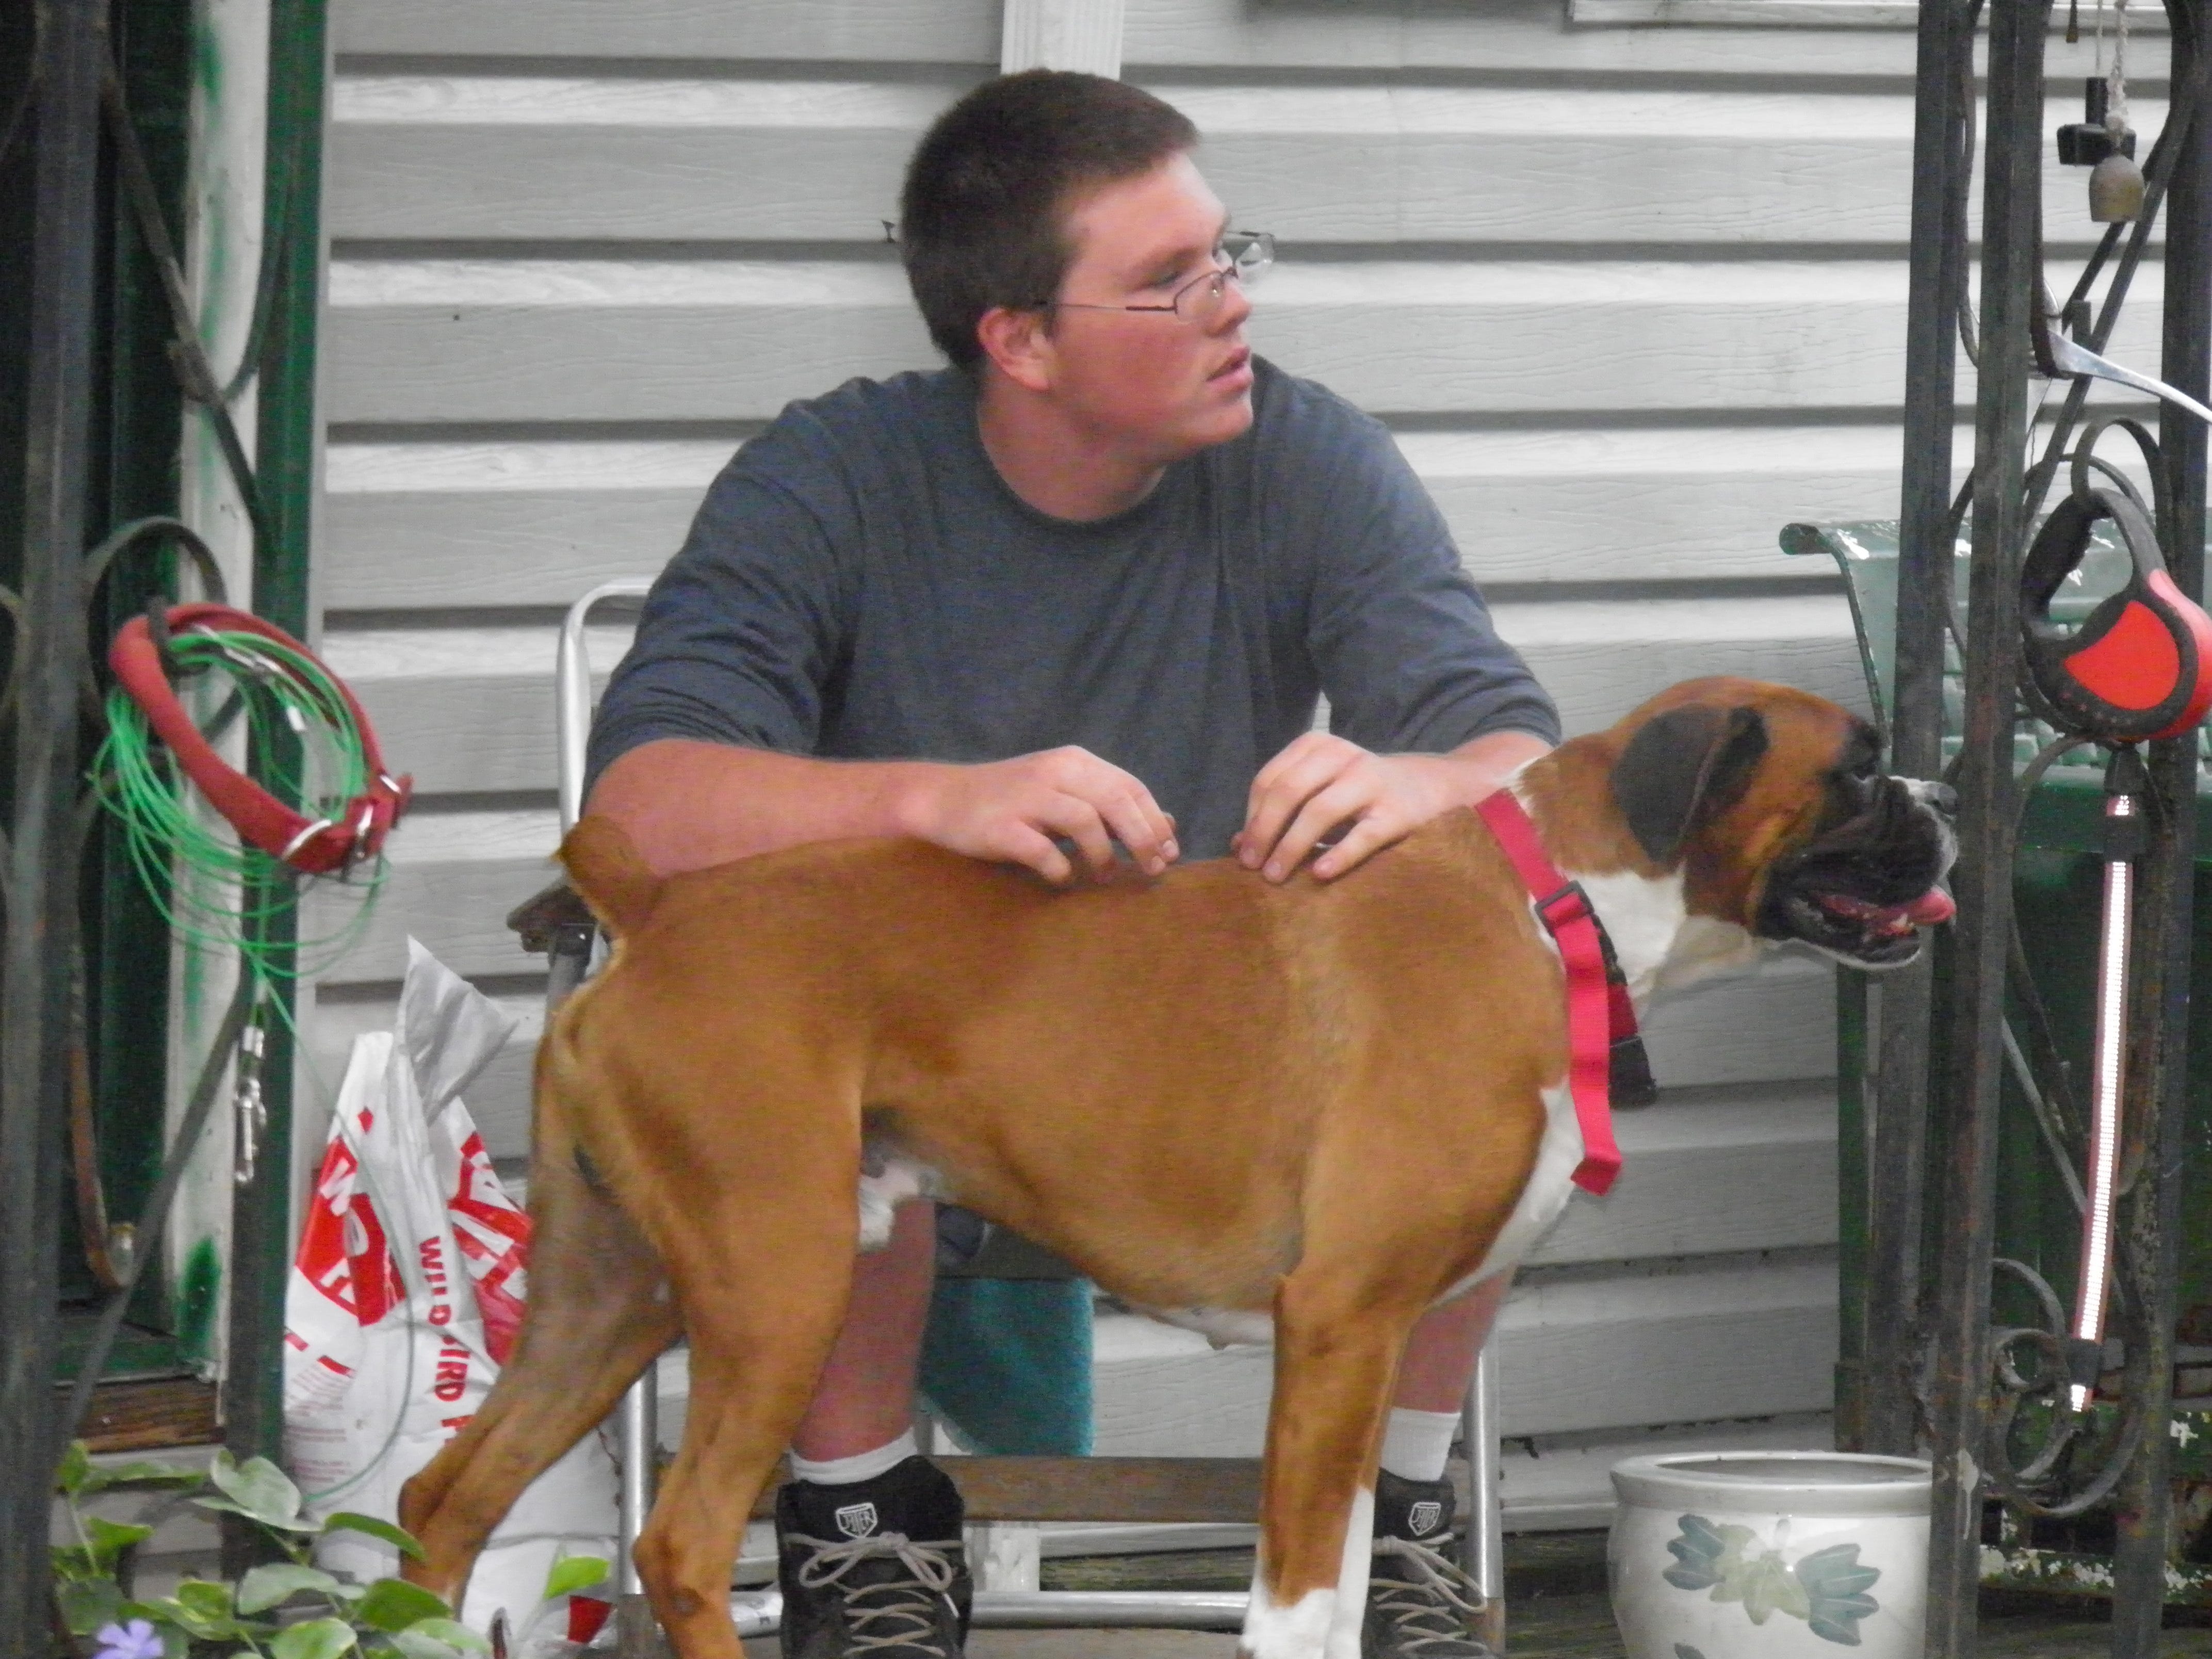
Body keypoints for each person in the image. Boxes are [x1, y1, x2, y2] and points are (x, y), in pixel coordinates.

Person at [585, 69, 1559, 1659]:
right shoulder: (832, 478)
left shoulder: (1304, 456)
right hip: (929, 1062)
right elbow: (640, 810)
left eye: (1231, 252)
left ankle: (1402, 1517)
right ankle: (863, 1527)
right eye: (1173, 281)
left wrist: (1416, 775)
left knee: (1483, 1028)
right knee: (824, 1046)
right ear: (1022, 342)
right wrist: (931, 805)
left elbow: (1516, 754)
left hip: (1207, 1080)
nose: (1231, 304)